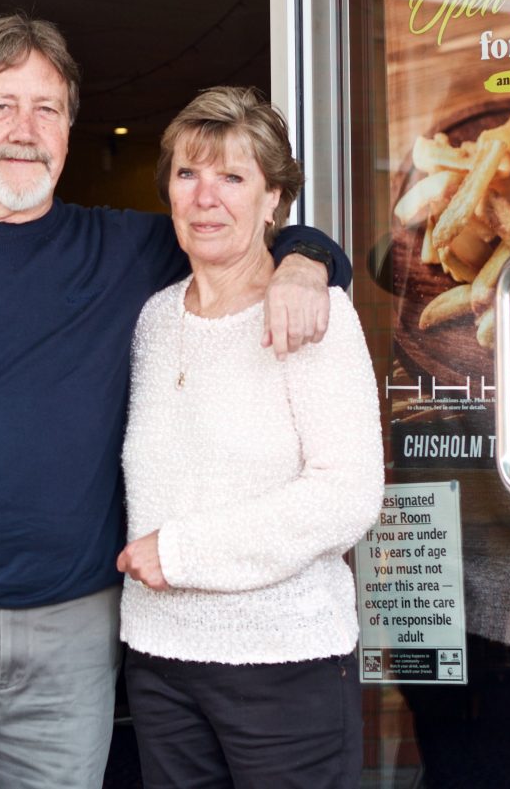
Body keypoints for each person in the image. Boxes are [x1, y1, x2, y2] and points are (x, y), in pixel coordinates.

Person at [0, 15, 351, 788]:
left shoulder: (121, 252)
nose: (25, 130)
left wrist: (308, 261)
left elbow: (231, 224)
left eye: (46, 107)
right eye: (1, 105)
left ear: (70, 128)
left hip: (73, 631)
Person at [116, 85, 383, 789]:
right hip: (159, 660)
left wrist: (183, 550)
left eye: (232, 177)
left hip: (284, 664)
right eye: (187, 174)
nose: (206, 197)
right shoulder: (151, 320)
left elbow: (347, 493)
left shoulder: (313, 315)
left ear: (274, 201)